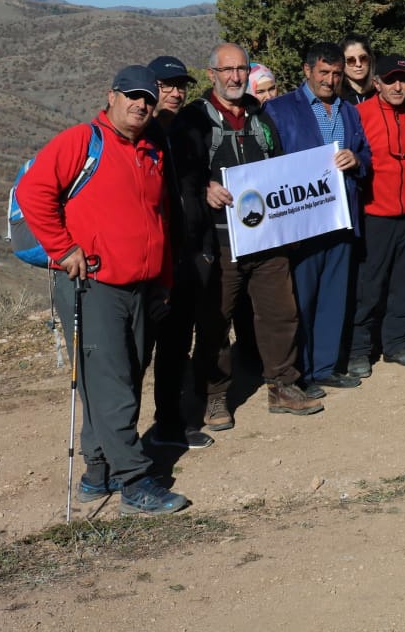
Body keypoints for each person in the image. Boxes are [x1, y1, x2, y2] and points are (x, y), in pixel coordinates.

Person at [20, 65, 190, 514]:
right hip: (91, 284)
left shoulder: (150, 148)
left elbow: (160, 221)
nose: (141, 104)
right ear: (111, 96)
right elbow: (33, 192)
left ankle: (98, 473)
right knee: (115, 384)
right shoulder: (81, 141)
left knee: (120, 379)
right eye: (132, 95)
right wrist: (63, 248)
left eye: (148, 98)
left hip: (141, 285)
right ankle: (135, 483)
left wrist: (164, 282)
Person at [173, 45, 322, 430]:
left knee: (279, 312)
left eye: (241, 69)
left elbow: (279, 165)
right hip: (219, 240)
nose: (236, 77)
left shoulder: (260, 115)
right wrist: (203, 188)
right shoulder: (193, 119)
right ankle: (215, 395)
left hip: (266, 236)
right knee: (214, 320)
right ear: (211, 75)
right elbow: (178, 174)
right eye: (227, 70)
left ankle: (283, 386)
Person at [266, 42, 370, 391]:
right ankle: (302, 372)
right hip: (301, 220)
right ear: (307, 71)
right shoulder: (280, 110)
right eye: (324, 72)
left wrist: (357, 162)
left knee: (333, 296)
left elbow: (365, 154)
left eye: (337, 73)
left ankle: (325, 367)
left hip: (342, 217)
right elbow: (269, 164)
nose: (330, 80)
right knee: (302, 300)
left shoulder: (348, 111)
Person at [141, 55, 210, 450]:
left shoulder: (188, 131)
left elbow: (199, 185)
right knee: (138, 355)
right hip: (147, 264)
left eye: (181, 85)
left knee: (175, 347)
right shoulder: (138, 135)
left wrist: (202, 251)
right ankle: (118, 443)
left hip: (187, 259)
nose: (176, 92)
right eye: (167, 85)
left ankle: (169, 424)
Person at [350, 54, 405, 372]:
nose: (398, 86)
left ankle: (396, 343)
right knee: (368, 286)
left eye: (404, 79)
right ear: (377, 82)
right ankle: (359, 349)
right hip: (375, 215)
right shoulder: (360, 114)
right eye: (391, 79)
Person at [339, 33, 375, 104]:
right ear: (342, 63)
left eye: (363, 58)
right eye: (351, 60)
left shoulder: (380, 93)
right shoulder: (336, 97)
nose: (358, 64)